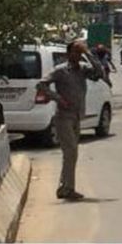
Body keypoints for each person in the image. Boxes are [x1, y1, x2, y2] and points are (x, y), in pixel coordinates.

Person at [34, 40, 106, 201]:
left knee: (71, 154)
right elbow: (41, 85)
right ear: (68, 54)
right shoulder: (60, 71)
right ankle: (67, 188)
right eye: (74, 52)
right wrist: (58, 98)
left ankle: (65, 187)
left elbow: (99, 73)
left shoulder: (83, 69)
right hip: (63, 116)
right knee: (71, 151)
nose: (77, 55)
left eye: (79, 53)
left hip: (77, 116)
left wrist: (87, 52)